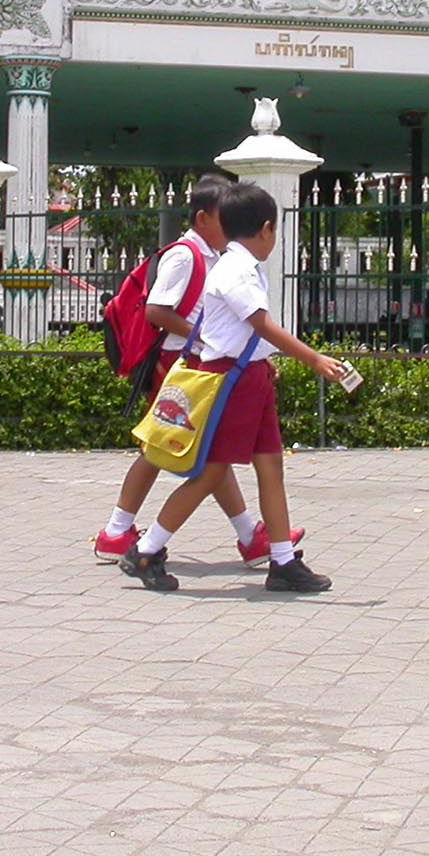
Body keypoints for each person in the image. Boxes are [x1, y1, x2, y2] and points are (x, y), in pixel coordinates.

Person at [121, 182, 344, 594]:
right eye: (275, 231)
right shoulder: (237, 270)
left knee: (270, 465)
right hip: (231, 381)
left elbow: (242, 329)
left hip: (248, 377)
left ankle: (282, 560)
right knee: (211, 472)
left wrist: (263, 363)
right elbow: (260, 324)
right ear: (265, 229)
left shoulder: (236, 265)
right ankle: (147, 549)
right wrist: (313, 358)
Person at [92, 174, 303, 566]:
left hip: (198, 363)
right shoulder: (185, 256)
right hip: (180, 366)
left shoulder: (216, 259)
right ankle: (120, 532)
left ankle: (248, 535)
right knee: (166, 449)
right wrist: (203, 339)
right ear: (204, 218)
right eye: (225, 218)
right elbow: (157, 311)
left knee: (204, 454)